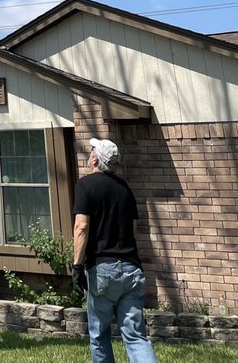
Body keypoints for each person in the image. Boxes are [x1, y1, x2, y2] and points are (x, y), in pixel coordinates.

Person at [72, 137, 158, 363]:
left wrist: (77, 266)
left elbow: (81, 227)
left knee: (99, 335)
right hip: (132, 270)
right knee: (136, 337)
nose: (89, 154)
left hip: (103, 272)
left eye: (91, 151)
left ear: (95, 160)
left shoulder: (85, 185)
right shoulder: (125, 189)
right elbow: (133, 230)